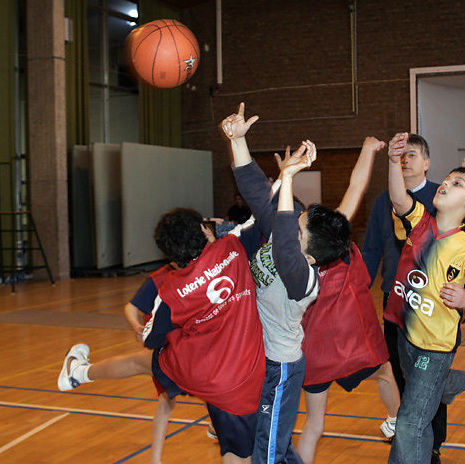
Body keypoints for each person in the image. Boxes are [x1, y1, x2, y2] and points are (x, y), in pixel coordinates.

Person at [58, 207, 266, 464]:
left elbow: (151, 339)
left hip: (202, 371)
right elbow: (265, 212)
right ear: (204, 229)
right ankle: (77, 373)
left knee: (142, 361)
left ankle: (78, 373)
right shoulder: (233, 248)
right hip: (239, 379)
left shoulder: (171, 290)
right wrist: (284, 177)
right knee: (240, 456)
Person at [221, 103, 351, 464]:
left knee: (266, 455)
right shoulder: (289, 234)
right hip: (256, 358)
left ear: (311, 254)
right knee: (276, 449)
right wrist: (239, 141)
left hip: (280, 371)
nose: (292, 219)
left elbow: (284, 248)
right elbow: (256, 191)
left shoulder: (303, 280)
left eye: (300, 226)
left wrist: (289, 177)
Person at [383, 132, 465, 464]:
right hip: (403, 334)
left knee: (410, 423)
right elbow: (400, 200)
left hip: (434, 346)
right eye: (446, 180)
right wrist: (391, 161)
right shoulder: (420, 222)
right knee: (424, 403)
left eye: (457, 183)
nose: (445, 184)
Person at [296, 136, 402, 464]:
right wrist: (368, 150)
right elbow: (356, 186)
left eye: (299, 228)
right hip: (354, 344)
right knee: (385, 373)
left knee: (313, 425)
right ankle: (398, 420)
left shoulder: (299, 265)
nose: (295, 228)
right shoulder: (341, 249)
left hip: (314, 352)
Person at [360, 133, 448, 462]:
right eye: (402, 155)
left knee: (429, 378)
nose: (406, 160)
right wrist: (359, 289)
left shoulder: (442, 197)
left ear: (426, 162)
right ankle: (407, 436)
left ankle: (433, 444)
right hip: (393, 301)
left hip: (431, 305)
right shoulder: (384, 200)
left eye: (412, 155)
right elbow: (371, 249)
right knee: (398, 373)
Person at [123, 223, 219, 462]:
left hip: (195, 350)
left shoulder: (204, 267)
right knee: (165, 404)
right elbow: (130, 307)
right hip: (168, 351)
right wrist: (137, 327)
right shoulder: (159, 280)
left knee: (213, 392)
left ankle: (218, 428)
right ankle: (155, 458)